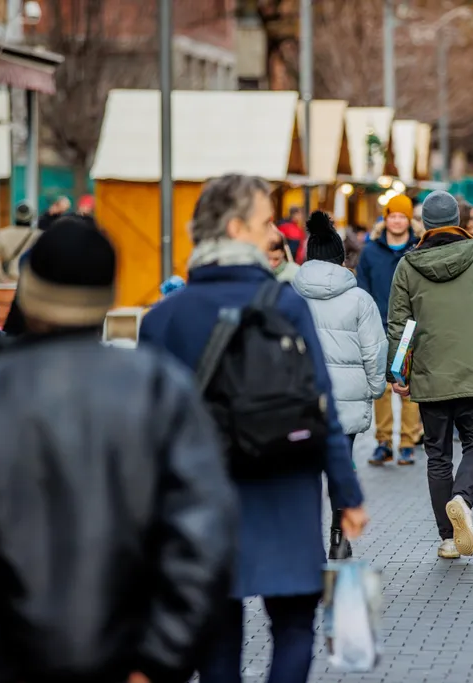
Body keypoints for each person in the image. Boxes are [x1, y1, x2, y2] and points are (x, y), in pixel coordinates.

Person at [0, 222, 238, 683]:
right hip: (128, 658)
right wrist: (158, 660)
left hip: (5, 659)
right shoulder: (158, 387)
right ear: (107, 295)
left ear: (30, 293)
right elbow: (205, 537)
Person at [137, 173, 367, 683]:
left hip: (202, 503)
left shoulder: (163, 320)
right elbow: (321, 406)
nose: (273, 234)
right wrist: (347, 495)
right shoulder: (286, 306)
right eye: (265, 222)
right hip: (285, 489)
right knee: (292, 627)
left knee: (217, 635)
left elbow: (144, 433)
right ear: (237, 227)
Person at [386, 190, 473, 559]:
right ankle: (463, 499)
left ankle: (448, 538)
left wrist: (396, 369)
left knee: (437, 456)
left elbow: (399, 326)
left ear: (424, 225)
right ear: (460, 221)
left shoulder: (408, 266)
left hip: (430, 374)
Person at [293, 210, 387, 559]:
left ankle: (304, 540)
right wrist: (376, 388)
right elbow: (374, 350)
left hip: (300, 399)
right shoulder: (359, 298)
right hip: (344, 400)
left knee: (302, 469)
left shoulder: (288, 296)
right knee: (339, 465)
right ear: (339, 257)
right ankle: (338, 537)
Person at [357, 193, 423, 465]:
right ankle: (383, 442)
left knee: (409, 387)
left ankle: (408, 441)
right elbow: (362, 288)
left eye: (402, 216)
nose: (396, 221)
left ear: (409, 219)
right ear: (385, 219)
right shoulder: (371, 250)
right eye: (392, 215)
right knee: (382, 389)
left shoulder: (418, 249)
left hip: (410, 327)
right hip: (379, 326)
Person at [0, 201, 40, 283]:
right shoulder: (38, 235)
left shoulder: (3, 234)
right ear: (32, 216)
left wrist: (1, 277)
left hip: (8, 281)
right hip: (32, 282)